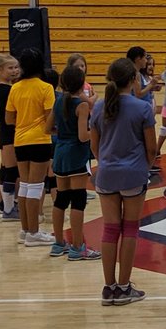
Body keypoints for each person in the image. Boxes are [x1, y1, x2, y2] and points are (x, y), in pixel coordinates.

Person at [91, 57, 158, 306]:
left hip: (107, 173)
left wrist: (107, 162)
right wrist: (144, 167)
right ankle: (124, 286)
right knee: (129, 228)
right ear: (133, 80)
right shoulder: (142, 108)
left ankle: (108, 288)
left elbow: (94, 146)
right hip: (133, 174)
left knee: (110, 229)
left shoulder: (98, 107)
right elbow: (151, 148)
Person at [5, 48, 56, 246]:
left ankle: (25, 230)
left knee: (25, 186)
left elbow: (9, 118)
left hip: (20, 140)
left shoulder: (15, 88)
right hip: (40, 140)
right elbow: (50, 117)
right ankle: (34, 233)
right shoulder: (45, 87)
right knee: (35, 187)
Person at [50, 65, 99, 260]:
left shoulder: (58, 101)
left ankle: (58, 243)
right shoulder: (81, 105)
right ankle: (78, 247)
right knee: (78, 200)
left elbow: (48, 128)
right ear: (82, 83)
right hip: (76, 153)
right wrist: (96, 132)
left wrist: (63, 135)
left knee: (61, 199)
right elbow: (82, 136)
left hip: (60, 151)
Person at [0, 54, 21, 220]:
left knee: (5, 168)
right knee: (11, 170)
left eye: (16, 67)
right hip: (9, 132)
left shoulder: (6, 88)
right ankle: (8, 209)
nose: (15, 70)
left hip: (7, 131)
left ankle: (2, 203)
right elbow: (6, 117)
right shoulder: (5, 90)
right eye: (10, 68)